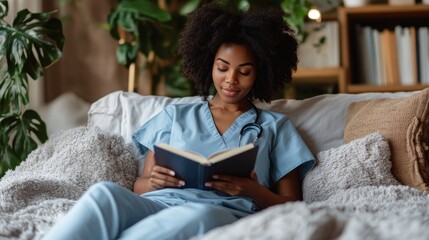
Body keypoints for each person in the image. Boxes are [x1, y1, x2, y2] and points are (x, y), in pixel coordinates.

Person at [43, 3, 315, 240]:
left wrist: (253, 190)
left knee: (199, 216)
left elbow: (292, 205)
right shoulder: (176, 116)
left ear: (261, 74)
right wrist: (153, 183)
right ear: (208, 64)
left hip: (219, 213)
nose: (231, 79)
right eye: (222, 68)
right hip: (159, 205)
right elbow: (141, 184)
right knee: (104, 194)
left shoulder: (275, 127)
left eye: (244, 72)